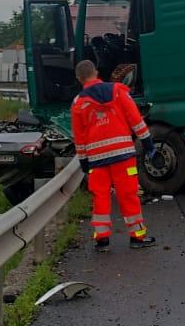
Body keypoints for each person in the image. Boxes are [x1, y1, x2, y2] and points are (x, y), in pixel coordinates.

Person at [70, 59, 163, 249]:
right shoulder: (118, 91)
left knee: (100, 196)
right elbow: (135, 119)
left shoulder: (78, 103)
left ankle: (102, 238)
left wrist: (84, 162)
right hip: (123, 154)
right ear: (96, 72)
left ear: (79, 79)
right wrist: (148, 144)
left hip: (96, 159)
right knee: (128, 194)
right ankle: (137, 237)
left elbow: (79, 137)